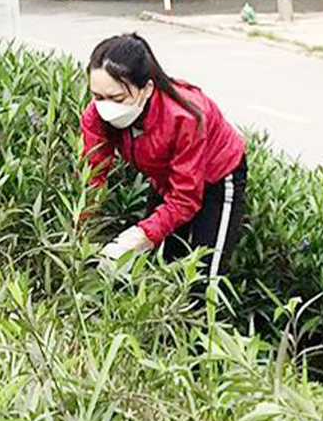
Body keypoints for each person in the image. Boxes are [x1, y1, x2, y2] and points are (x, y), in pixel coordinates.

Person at [81, 33, 248, 279]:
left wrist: (141, 235)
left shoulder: (184, 117)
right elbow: (93, 177)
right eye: (98, 97)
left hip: (218, 177)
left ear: (147, 88)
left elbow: (185, 197)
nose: (106, 107)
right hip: (166, 177)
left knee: (205, 275)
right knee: (160, 264)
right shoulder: (96, 116)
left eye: (117, 98)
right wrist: (82, 231)